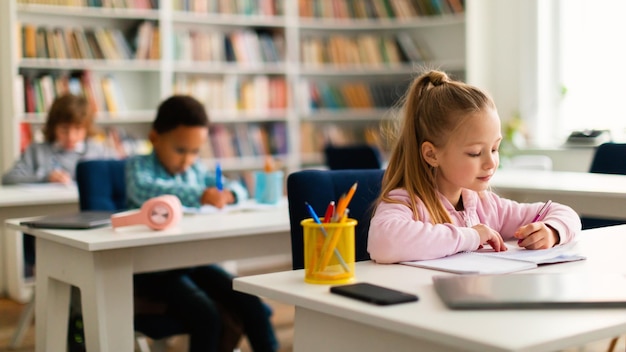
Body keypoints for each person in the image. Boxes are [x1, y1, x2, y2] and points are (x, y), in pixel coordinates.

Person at [367, 70, 581, 263]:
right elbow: (383, 242)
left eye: (495, 149)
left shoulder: (486, 206)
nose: (490, 163)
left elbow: (563, 212)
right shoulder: (408, 202)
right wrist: (472, 235)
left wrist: (552, 231)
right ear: (432, 154)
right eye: (475, 153)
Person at [125, 95, 278, 352]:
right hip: (153, 269)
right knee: (206, 314)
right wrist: (201, 195)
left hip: (190, 262)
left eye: (195, 151)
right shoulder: (138, 167)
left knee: (250, 302)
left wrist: (228, 194)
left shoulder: (194, 171)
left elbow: (235, 186)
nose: (187, 160)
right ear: (154, 138)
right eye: (180, 150)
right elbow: (146, 190)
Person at [2, 93, 117, 185]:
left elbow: (120, 176)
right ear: (53, 127)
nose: (71, 137)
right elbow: (9, 179)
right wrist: (45, 177)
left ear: (87, 128)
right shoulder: (36, 151)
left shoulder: (98, 151)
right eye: (64, 129)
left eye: (78, 129)